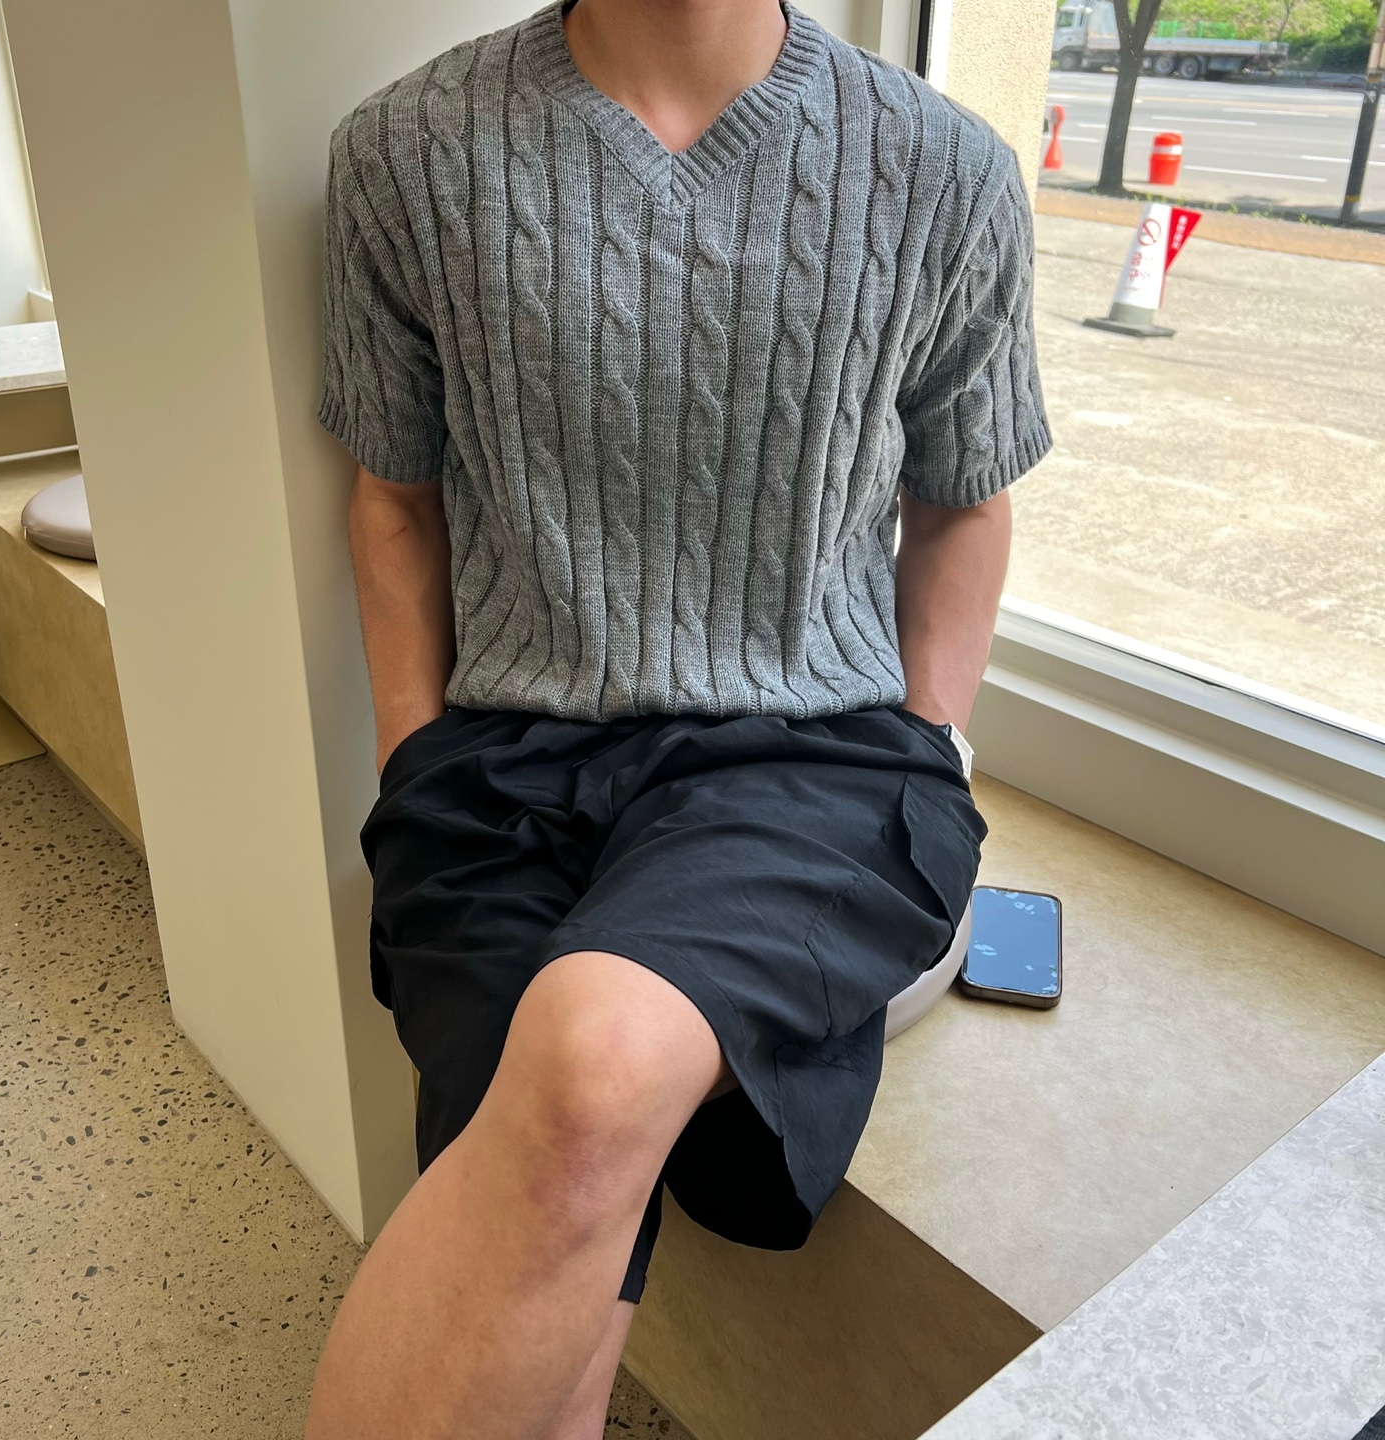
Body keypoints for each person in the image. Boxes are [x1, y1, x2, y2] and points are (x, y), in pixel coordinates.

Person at [305, 0, 1049, 1434]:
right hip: (501, 771)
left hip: (811, 756)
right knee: (538, 1158)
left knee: (587, 1065)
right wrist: (410, 761)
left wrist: (932, 741)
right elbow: (395, 495)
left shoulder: (943, 167)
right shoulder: (407, 150)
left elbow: (965, 496)